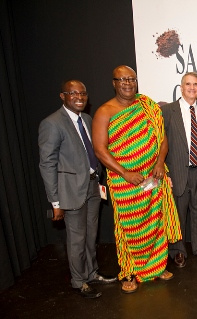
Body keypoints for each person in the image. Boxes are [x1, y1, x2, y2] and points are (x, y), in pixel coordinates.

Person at [92, 65, 181, 293]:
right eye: (122, 79)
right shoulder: (105, 111)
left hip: (152, 178)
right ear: (114, 83)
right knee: (130, 227)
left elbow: (163, 139)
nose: (128, 83)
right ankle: (130, 271)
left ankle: (157, 266)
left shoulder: (147, 105)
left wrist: (160, 162)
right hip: (125, 183)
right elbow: (100, 150)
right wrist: (125, 173)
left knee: (155, 222)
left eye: (131, 79)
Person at [38, 80, 117, 299]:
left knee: (91, 235)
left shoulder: (88, 119)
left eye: (82, 93)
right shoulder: (52, 123)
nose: (79, 97)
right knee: (76, 239)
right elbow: (47, 164)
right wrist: (55, 203)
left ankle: (91, 273)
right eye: (73, 93)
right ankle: (78, 280)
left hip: (93, 185)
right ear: (63, 96)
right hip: (70, 192)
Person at [161, 72, 197, 268]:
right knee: (178, 213)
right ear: (181, 87)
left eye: (196, 84)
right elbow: (161, 144)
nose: (192, 88)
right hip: (177, 172)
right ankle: (177, 250)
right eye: (188, 84)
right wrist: (165, 172)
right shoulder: (167, 111)